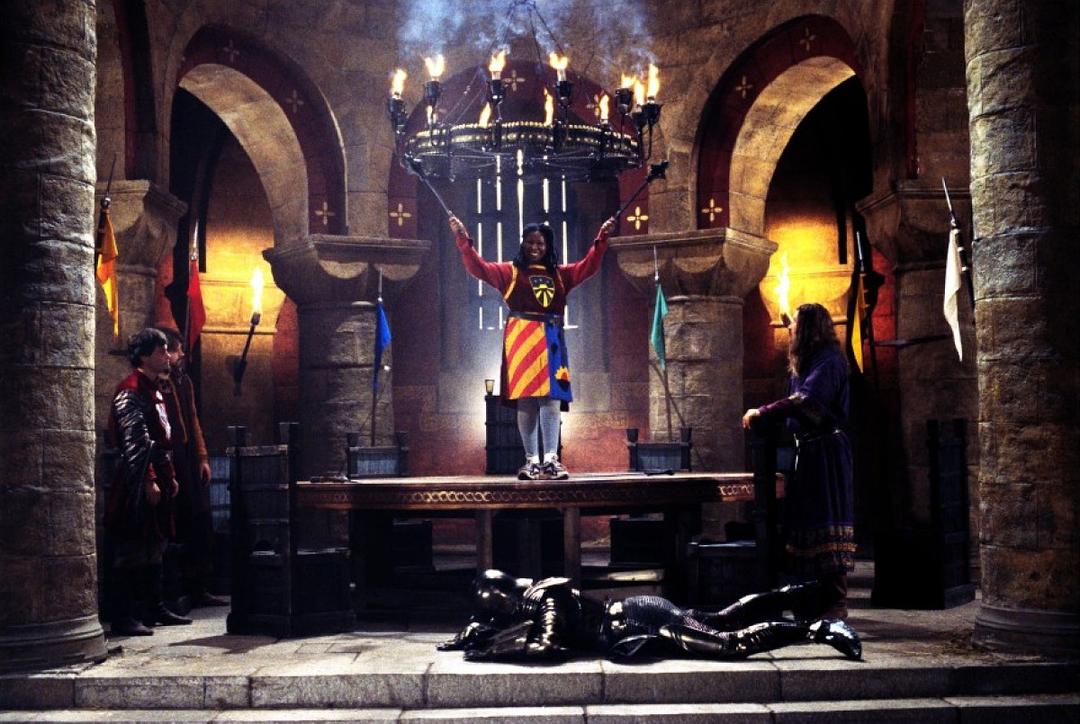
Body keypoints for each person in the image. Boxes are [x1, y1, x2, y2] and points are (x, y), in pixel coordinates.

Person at [449, 215, 616, 480]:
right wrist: (462, 238)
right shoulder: (510, 272)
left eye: (540, 243)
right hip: (522, 338)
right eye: (530, 242)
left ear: (547, 246)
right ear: (522, 244)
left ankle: (550, 460)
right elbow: (477, 268)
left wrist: (602, 239)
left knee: (551, 398)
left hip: (552, 339)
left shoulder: (560, 274)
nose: (534, 247)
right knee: (526, 399)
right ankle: (531, 461)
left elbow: (588, 266)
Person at [438, 569, 861, 661]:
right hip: (640, 610)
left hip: (643, 621)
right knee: (721, 618)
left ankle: (818, 629)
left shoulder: (548, 600)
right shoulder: (536, 596)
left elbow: (546, 647)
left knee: (729, 644)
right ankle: (788, 594)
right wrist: (470, 637)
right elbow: (486, 627)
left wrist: (491, 654)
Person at [741, 302, 856, 620]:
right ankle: (810, 600)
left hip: (827, 454)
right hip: (808, 452)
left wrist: (762, 412)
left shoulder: (829, 361)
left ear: (808, 329)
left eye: (795, 324)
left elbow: (806, 401)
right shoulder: (807, 362)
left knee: (828, 519)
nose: (789, 328)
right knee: (805, 521)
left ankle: (836, 604)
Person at [104, 328, 192, 635]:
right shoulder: (131, 390)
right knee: (132, 545)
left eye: (167, 350)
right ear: (144, 356)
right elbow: (135, 442)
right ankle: (124, 616)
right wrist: (148, 480)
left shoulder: (155, 388)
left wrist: (169, 475)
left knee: (156, 543)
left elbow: (161, 436)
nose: (167, 355)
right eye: (160, 351)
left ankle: (155, 607)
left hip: (157, 472)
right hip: (136, 477)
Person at [156, 327, 228, 609]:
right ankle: (176, 590)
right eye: (176, 350)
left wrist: (202, 457)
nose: (181, 354)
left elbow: (194, 421)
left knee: (200, 520)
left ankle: (200, 585)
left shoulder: (183, 381)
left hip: (188, 457)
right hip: (170, 456)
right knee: (178, 521)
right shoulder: (158, 383)